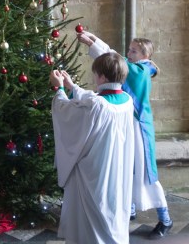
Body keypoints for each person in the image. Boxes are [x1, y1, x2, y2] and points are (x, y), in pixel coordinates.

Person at [77, 31, 173, 240]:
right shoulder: (139, 67)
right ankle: (129, 209)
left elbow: (115, 63)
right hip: (128, 124)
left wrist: (94, 45)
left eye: (133, 51)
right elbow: (117, 57)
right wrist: (95, 40)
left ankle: (165, 219)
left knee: (146, 173)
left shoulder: (141, 71)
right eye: (129, 49)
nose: (128, 53)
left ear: (145, 55)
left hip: (139, 127)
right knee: (127, 167)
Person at [50, 52, 135, 244]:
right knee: (112, 208)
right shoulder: (126, 101)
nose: (94, 77)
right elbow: (94, 99)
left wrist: (60, 89)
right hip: (116, 169)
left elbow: (68, 111)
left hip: (94, 172)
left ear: (103, 77)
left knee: (93, 219)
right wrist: (72, 86)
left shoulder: (98, 105)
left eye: (95, 73)